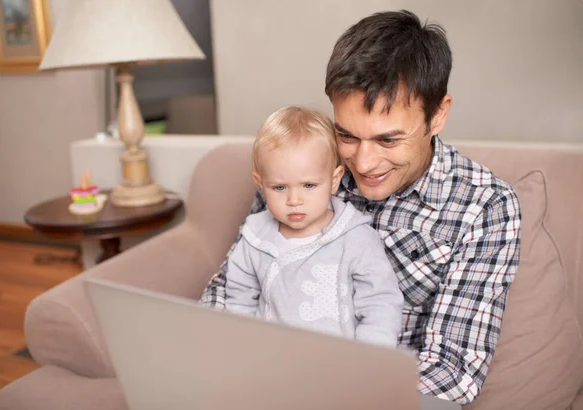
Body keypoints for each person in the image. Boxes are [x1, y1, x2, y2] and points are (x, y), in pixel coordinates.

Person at [201, 9, 521, 405]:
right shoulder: (304, 167)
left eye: (388, 140)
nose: (364, 164)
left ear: (438, 115)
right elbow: (230, 289)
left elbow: (451, 371)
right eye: (347, 135)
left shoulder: (485, 206)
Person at [224, 106, 404, 347]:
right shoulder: (255, 237)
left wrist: (369, 361)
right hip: (269, 361)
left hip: (337, 366)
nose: (294, 200)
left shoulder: (356, 238)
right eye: (279, 187)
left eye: (308, 185)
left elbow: (380, 304)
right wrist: (239, 348)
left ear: (333, 180)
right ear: (261, 183)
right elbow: (239, 301)